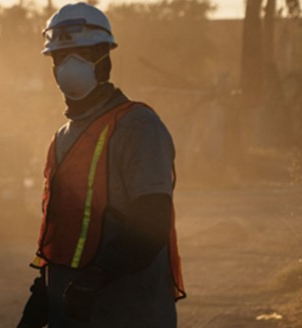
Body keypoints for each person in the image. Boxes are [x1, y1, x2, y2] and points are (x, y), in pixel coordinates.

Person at [17, 3, 185, 327]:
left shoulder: (138, 126)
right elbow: (63, 236)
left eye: (80, 53)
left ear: (104, 57)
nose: (68, 65)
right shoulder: (62, 138)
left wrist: (96, 278)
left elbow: (152, 222)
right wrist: (39, 302)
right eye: (60, 57)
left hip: (131, 315)